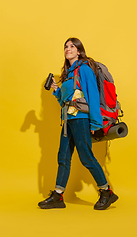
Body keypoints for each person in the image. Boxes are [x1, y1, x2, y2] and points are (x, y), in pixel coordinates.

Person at [38, 37, 118, 210]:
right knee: (63, 157)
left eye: (72, 46)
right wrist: (56, 89)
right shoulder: (68, 74)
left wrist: (96, 124)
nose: (68, 49)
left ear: (79, 51)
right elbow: (64, 101)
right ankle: (58, 196)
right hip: (68, 120)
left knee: (86, 157)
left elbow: (93, 96)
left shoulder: (84, 70)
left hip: (81, 119)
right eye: (66, 46)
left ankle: (106, 192)